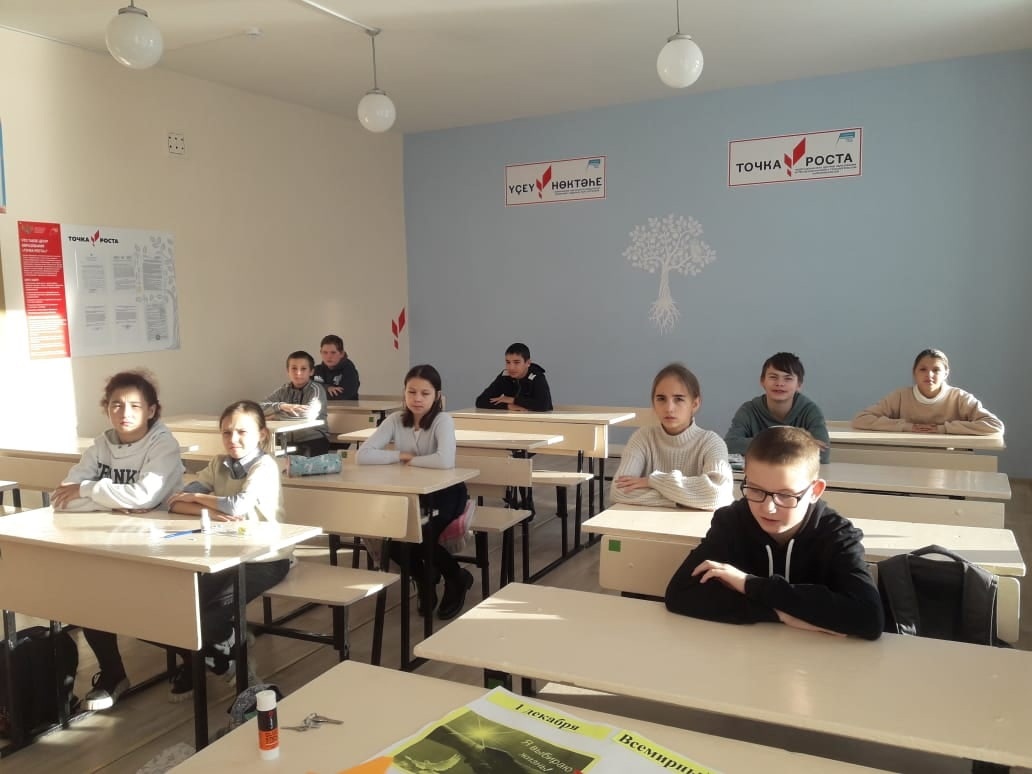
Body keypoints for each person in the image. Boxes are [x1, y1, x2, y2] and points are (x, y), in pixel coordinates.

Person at [664, 426, 883, 640]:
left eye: (785, 495)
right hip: (746, 653)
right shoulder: (732, 521)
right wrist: (779, 614)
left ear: (815, 491)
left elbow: (869, 617)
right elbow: (680, 594)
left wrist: (748, 584)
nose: (768, 508)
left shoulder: (836, 534)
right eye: (756, 490)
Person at [50, 370, 184, 711]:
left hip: (161, 541)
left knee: (149, 611)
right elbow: (62, 499)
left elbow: (145, 496)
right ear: (106, 408)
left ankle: (197, 656)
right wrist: (115, 500)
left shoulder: (163, 444)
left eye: (135, 405)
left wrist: (89, 489)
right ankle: (113, 674)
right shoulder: (101, 445)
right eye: (116, 405)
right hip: (109, 537)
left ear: (151, 410)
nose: (124, 413)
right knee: (89, 597)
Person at [165, 400, 290, 701]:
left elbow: (237, 505)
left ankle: (236, 665)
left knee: (210, 617)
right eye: (226, 432)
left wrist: (200, 500)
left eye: (242, 432)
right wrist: (210, 509)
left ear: (262, 434)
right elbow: (176, 502)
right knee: (178, 603)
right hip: (224, 555)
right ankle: (220, 653)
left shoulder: (265, 466)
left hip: (265, 557)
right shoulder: (218, 463)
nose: (233, 439)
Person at [357, 364, 474, 620]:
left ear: (437, 396)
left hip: (446, 493)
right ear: (404, 393)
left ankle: (456, 578)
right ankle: (424, 578)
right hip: (412, 495)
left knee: (423, 535)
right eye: (411, 392)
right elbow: (363, 455)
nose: (417, 399)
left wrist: (410, 460)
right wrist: (399, 455)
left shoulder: (443, 421)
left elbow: (445, 461)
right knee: (394, 540)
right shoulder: (395, 420)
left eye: (425, 393)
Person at [611, 363, 733, 510]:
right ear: (653, 403)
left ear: (695, 404)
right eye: (661, 399)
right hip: (645, 521)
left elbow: (718, 494)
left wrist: (653, 481)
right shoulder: (642, 438)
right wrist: (686, 499)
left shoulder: (712, 443)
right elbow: (618, 491)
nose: (669, 408)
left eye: (679, 399)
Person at [851, 348, 1004, 435]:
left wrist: (943, 429)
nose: (929, 375)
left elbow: (995, 425)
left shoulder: (960, 398)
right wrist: (907, 427)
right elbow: (861, 419)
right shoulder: (900, 396)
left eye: (936, 370)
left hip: (951, 457)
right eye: (923, 369)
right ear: (914, 372)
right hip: (906, 456)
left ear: (946, 373)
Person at [725, 352, 830, 463]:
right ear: (762, 381)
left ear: (799, 385)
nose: (779, 383)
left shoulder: (810, 411)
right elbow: (729, 445)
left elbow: (822, 454)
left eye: (788, 378)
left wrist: (763, 446)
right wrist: (791, 443)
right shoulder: (748, 410)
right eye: (773, 377)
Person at [260, 349, 330, 455]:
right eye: (294, 368)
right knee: (264, 451)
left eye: (303, 369)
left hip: (312, 439)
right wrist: (281, 406)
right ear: (287, 371)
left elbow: (308, 415)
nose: (298, 373)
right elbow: (258, 408)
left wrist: (276, 416)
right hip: (286, 440)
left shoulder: (316, 389)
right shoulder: (283, 390)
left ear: (311, 371)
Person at [474, 342, 553, 412]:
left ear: (528, 363)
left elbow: (544, 405)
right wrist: (508, 406)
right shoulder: (505, 376)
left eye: (516, 362)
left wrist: (513, 400)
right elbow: (481, 401)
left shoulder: (537, 376)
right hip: (512, 419)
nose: (511, 368)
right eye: (508, 362)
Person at [314, 334, 360, 400]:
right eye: (325, 352)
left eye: (333, 352)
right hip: (321, 406)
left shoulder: (349, 371)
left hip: (345, 406)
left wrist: (318, 391)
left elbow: (342, 396)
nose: (329, 356)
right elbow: (305, 391)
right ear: (320, 353)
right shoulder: (316, 370)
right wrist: (326, 388)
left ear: (342, 354)